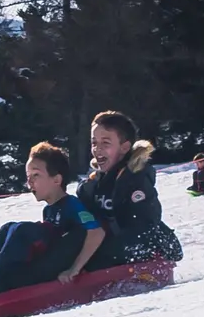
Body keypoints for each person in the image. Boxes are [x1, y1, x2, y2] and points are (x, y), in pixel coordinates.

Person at [0, 142, 110, 300]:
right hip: (45, 256)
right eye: (28, 176)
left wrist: (75, 269)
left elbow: (96, 231)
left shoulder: (73, 204)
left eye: (36, 175)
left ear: (57, 179)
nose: (30, 182)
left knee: (21, 230)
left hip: (57, 259)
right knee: (8, 228)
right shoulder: (48, 209)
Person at [77, 111, 183, 264]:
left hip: (142, 244)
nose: (97, 149)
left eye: (105, 143)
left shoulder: (136, 180)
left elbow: (145, 224)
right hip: (113, 238)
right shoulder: (97, 180)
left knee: (95, 255)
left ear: (124, 147)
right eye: (94, 143)